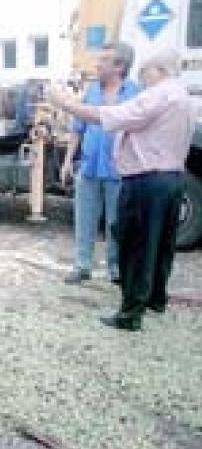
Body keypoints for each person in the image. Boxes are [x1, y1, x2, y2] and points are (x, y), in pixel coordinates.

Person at [49, 48, 196, 331]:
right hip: (171, 178)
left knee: (137, 246)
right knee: (160, 245)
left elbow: (112, 116)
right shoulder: (183, 96)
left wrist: (64, 103)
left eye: (145, 72)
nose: (143, 77)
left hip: (146, 179)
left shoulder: (158, 94)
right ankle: (155, 299)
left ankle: (130, 314)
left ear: (159, 70)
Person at [61, 43, 140, 285]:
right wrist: (67, 160)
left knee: (116, 222)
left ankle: (115, 268)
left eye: (104, 60)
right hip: (89, 167)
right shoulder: (92, 91)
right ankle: (82, 266)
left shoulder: (135, 92)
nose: (97, 65)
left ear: (120, 66)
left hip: (120, 170)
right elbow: (78, 127)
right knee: (84, 220)